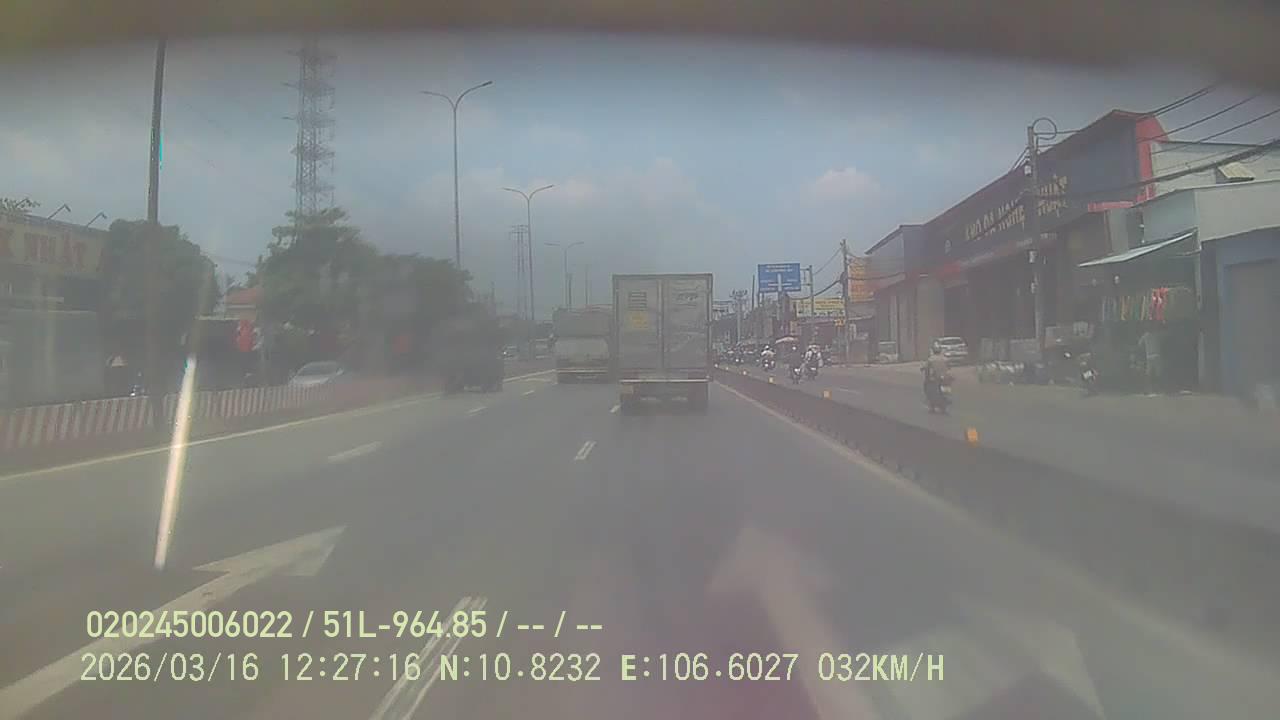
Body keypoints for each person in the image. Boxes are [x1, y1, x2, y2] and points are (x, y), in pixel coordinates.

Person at [1137, 324, 1163, 396]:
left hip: (1149, 356)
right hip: (1156, 355)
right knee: (1158, 373)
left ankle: (1147, 389)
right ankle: (1157, 389)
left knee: (1148, 374)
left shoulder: (1145, 336)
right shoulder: (1156, 335)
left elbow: (1139, 344)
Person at [923, 349, 951, 413]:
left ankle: (932, 405)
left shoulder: (930, 359)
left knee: (929, 389)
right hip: (945, 377)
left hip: (935, 377)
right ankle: (942, 402)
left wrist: (923, 369)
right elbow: (949, 367)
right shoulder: (945, 358)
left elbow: (926, 367)